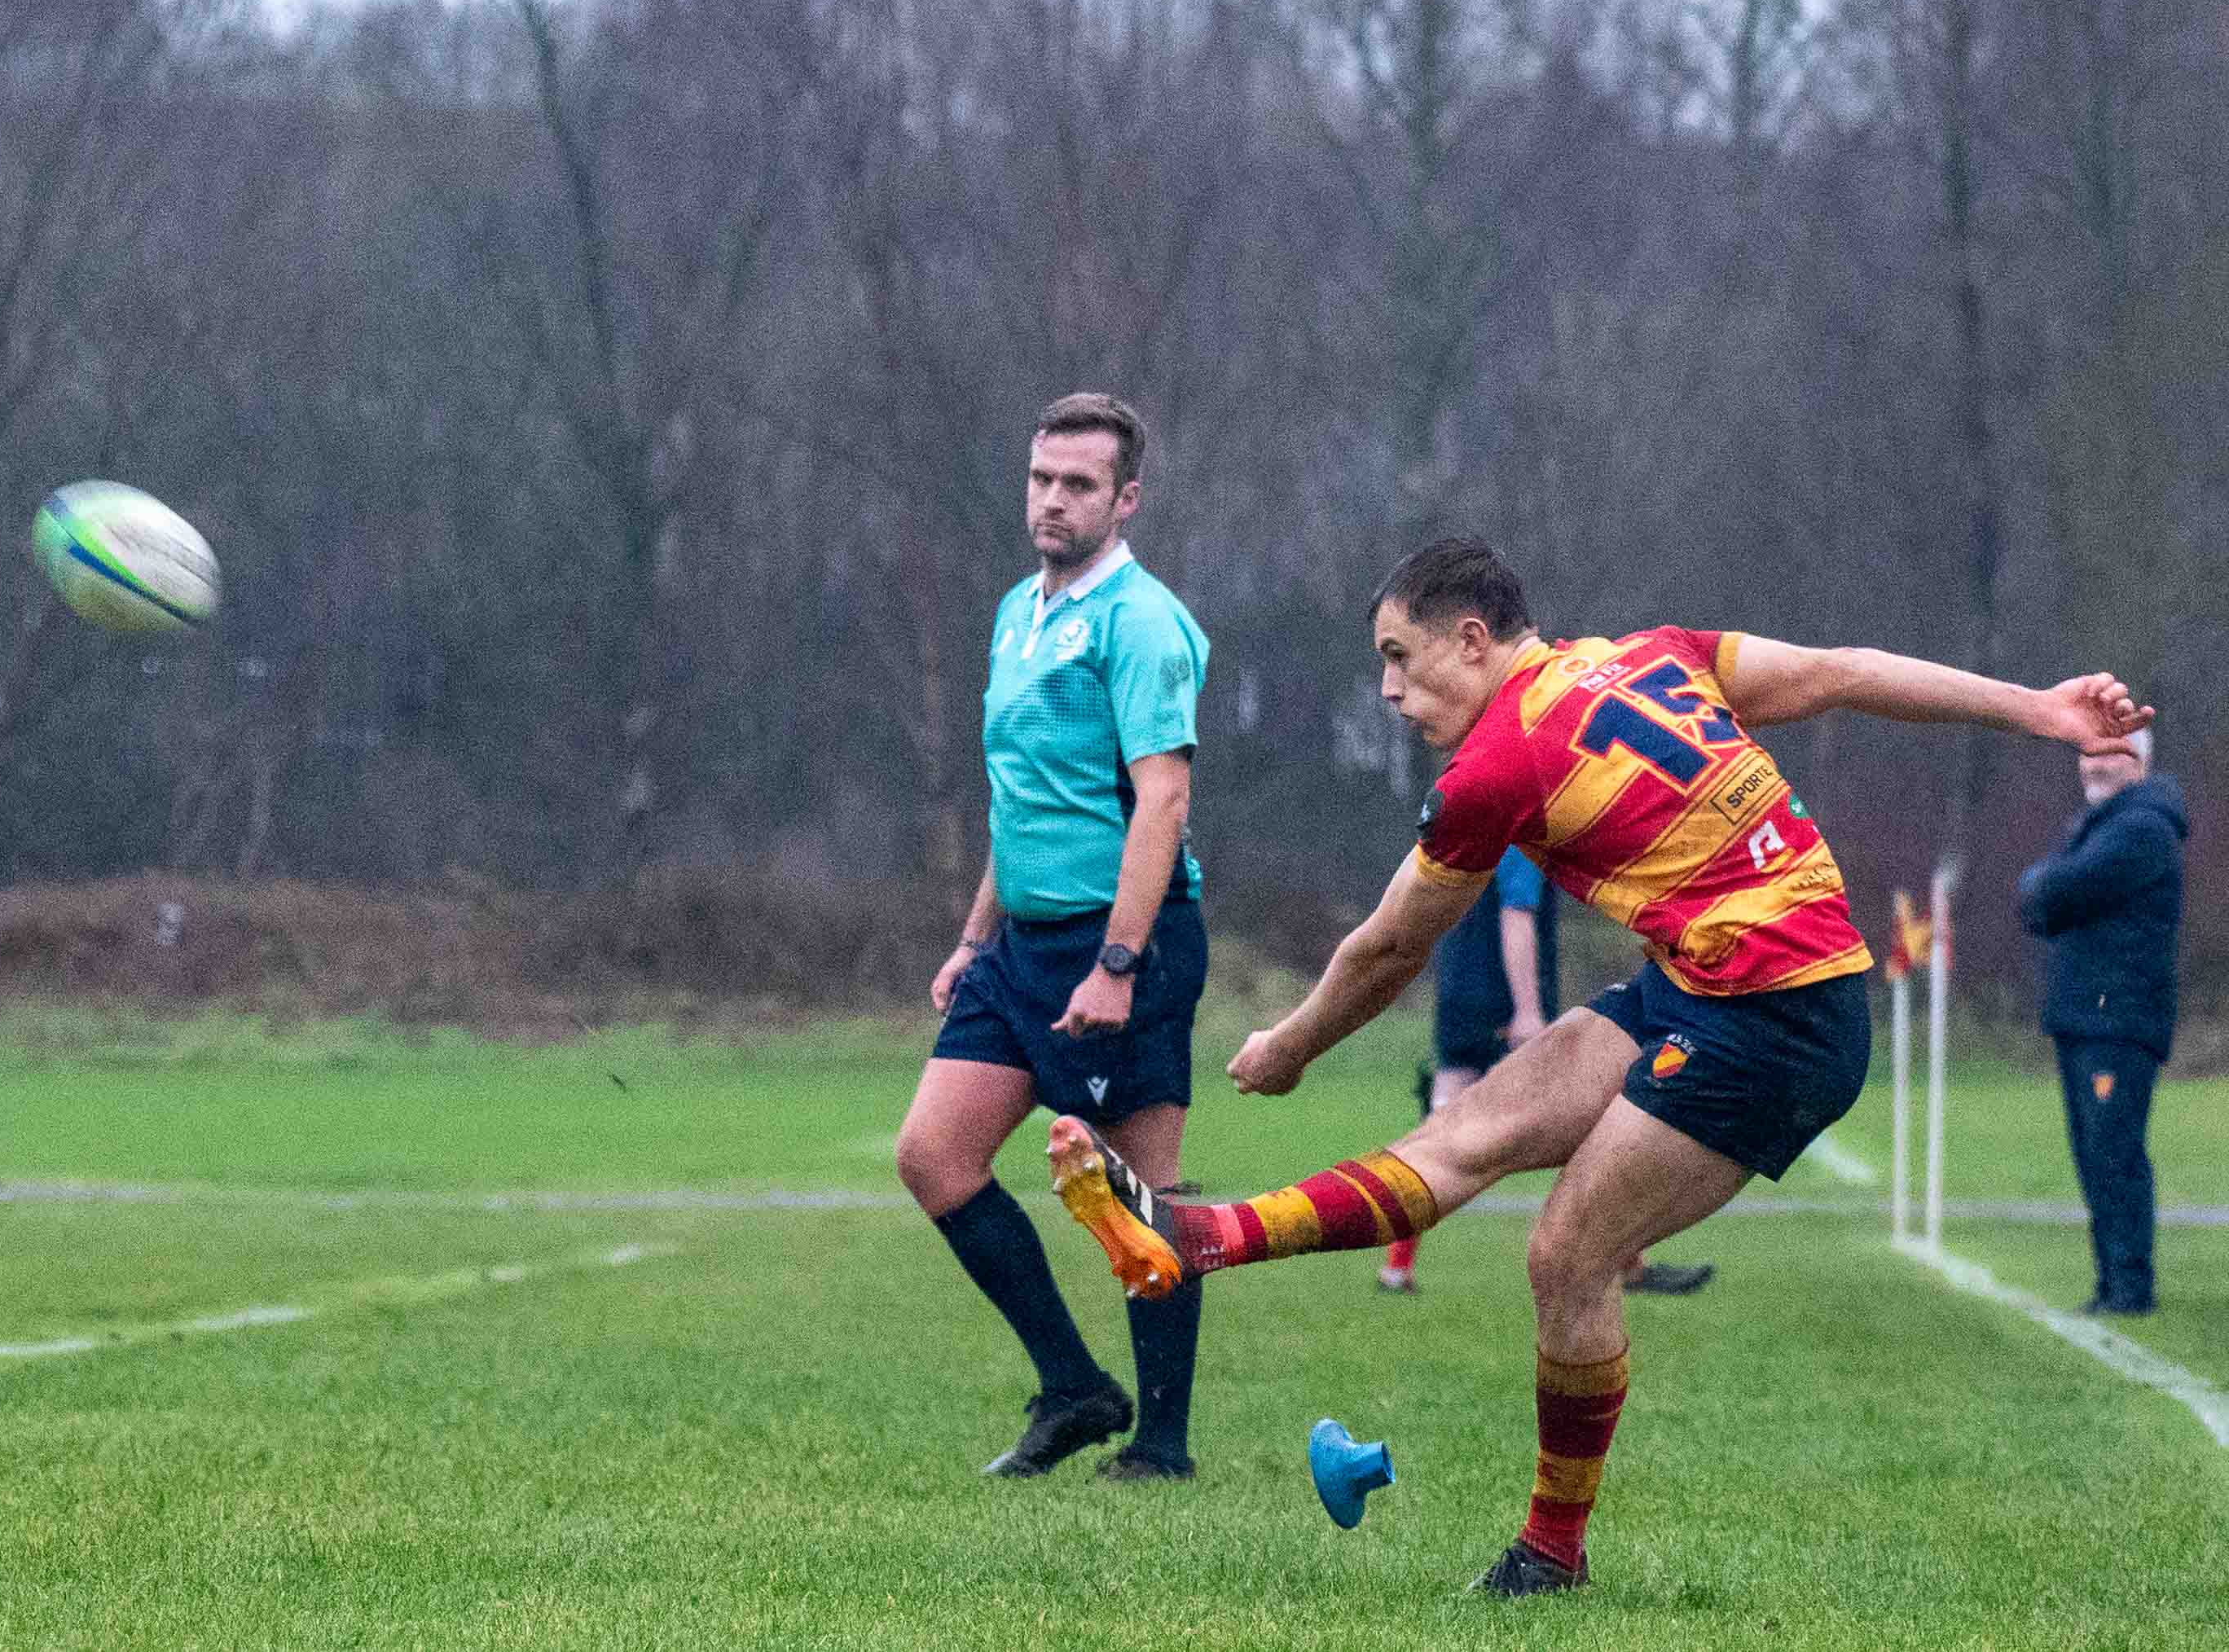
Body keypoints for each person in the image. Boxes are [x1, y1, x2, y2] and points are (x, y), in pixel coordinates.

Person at [1041, 538, 2148, 1593]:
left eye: (1397, 656)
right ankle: (1200, 1238)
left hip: (1773, 1016)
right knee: (1463, 1133)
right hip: (1706, 981)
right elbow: (1841, 670)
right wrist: (2037, 707)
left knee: (1566, 1253)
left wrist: (1287, 1045)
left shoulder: (1494, 766)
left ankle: (1550, 1553)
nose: (1386, 689)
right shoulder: (1654, 654)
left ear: (1470, 638)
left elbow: (1387, 947)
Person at [895, 393, 1212, 1483]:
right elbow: (1021, 798)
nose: (1052, 500)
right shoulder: (1013, 612)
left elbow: (1160, 801)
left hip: (1122, 941)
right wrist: (972, 936)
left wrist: (1117, 963)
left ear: (1125, 499)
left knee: (1137, 1192)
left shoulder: (1142, 622)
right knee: (933, 1156)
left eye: (1078, 483)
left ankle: (1160, 1445)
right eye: (1040, 478)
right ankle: (1074, 1387)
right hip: (1018, 946)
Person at [1384, 848, 1712, 1298]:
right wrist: (1528, 1011)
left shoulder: (1467, 839)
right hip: (1503, 1006)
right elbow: (1516, 917)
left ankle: (1396, 1268)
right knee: (1589, 1126)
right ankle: (1628, 1263)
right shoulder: (1521, 845)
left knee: (1435, 1134)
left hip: (1458, 1001)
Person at [2018, 725, 2185, 1317]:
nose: (2092, 765)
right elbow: (2044, 895)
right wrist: (2043, 890)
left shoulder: (2141, 828)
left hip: (2117, 1020)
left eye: (2108, 753)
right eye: (2086, 753)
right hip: (2086, 1017)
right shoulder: (2102, 825)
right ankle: (2112, 1283)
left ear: (2139, 759)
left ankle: (2129, 1288)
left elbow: (2060, 889)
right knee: (2094, 1153)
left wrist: (2043, 887)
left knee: (2113, 1151)